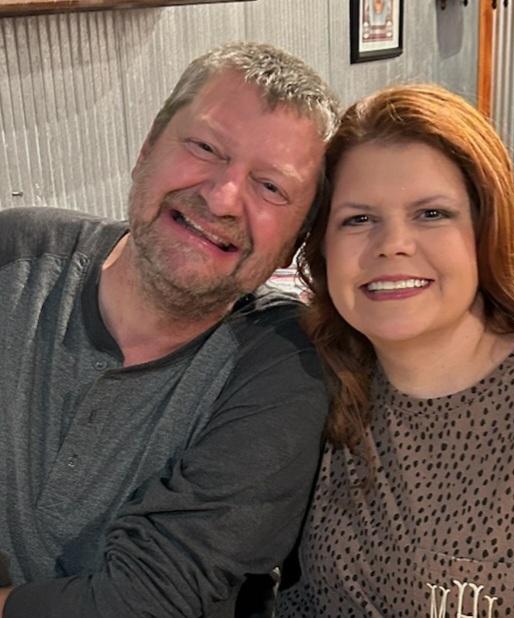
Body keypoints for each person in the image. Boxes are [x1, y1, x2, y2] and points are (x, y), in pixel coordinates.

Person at [0, 41, 340, 618]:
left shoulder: (283, 365)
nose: (222, 198)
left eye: (271, 187)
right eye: (205, 148)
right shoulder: (15, 257)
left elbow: (148, 601)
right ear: (147, 148)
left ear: (296, 242)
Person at [277, 84, 514, 617]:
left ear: (487, 231)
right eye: (358, 219)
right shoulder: (321, 385)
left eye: (431, 213)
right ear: (323, 250)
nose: (393, 244)